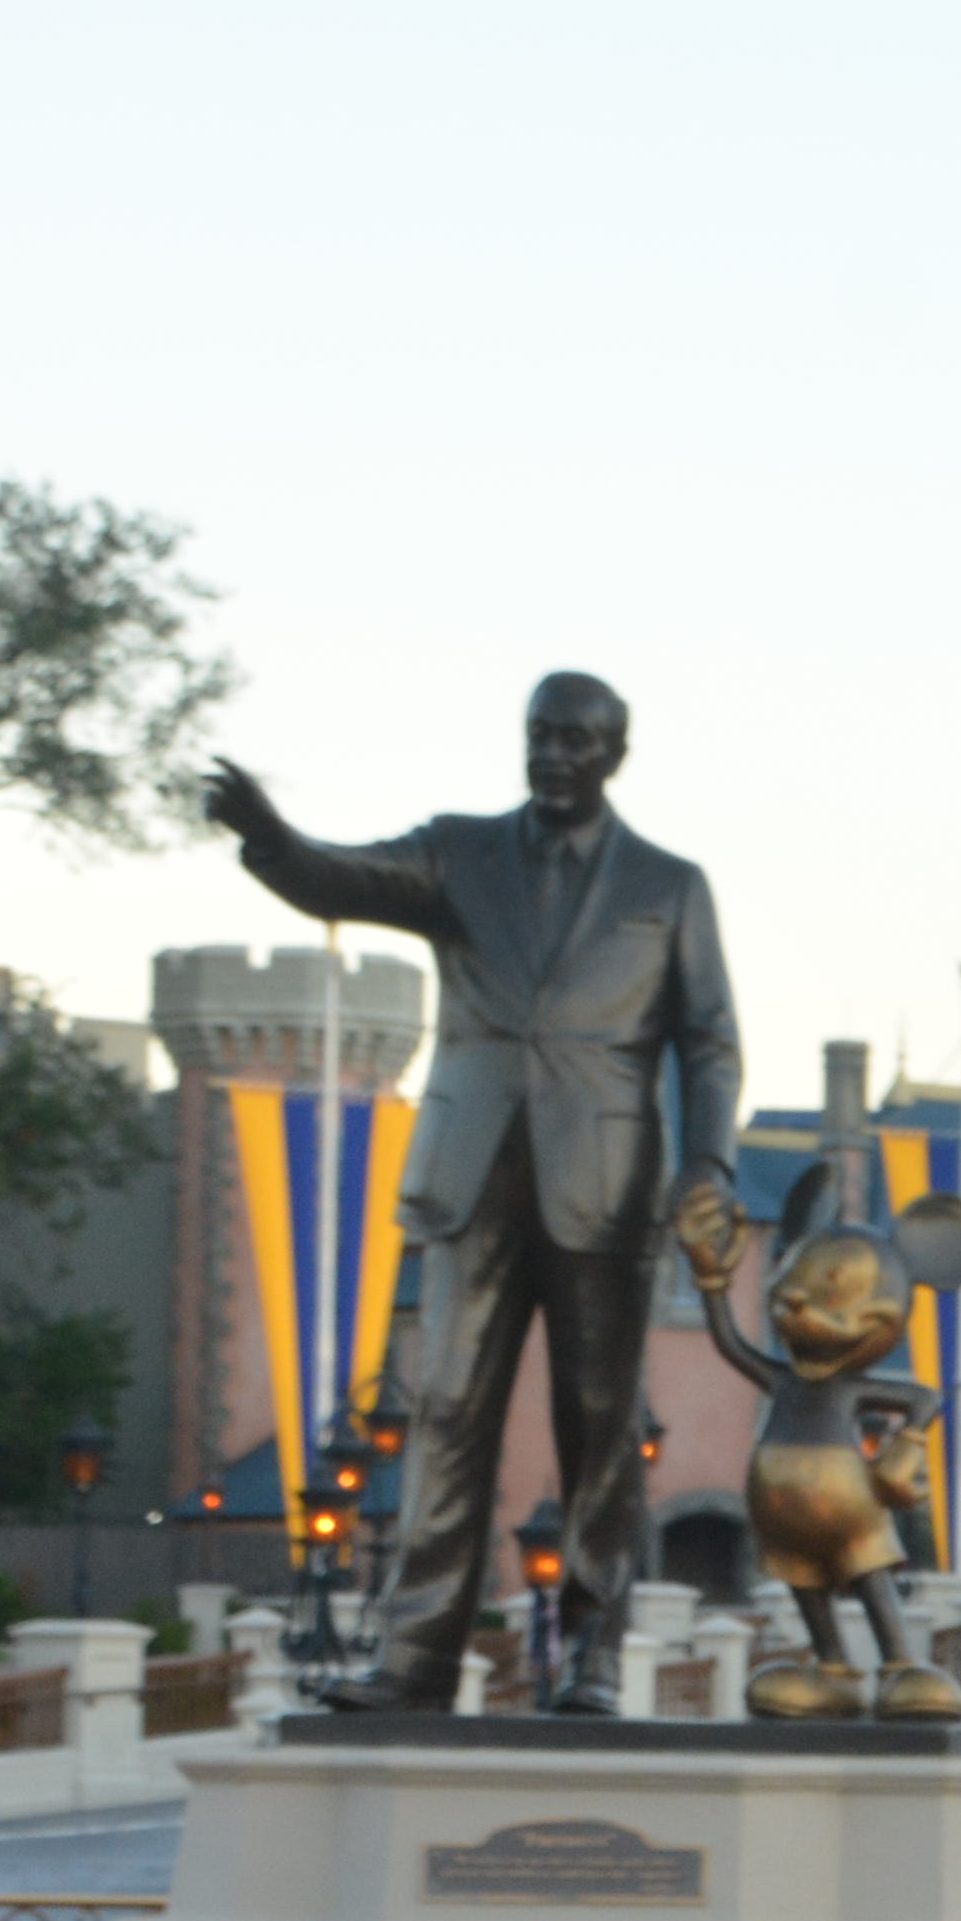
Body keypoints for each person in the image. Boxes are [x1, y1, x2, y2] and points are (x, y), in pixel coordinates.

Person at [202, 674, 742, 1712]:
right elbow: (339, 879)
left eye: (576, 741)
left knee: (599, 1423)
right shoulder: (461, 850)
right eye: (540, 736)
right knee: (447, 1409)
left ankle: (587, 1659)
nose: (552, 756)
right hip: (471, 1176)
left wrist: (708, 1165)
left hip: (607, 1183)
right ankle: (415, 1661)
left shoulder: (671, 886)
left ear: (613, 756)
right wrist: (269, 833)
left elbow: (710, 1040)